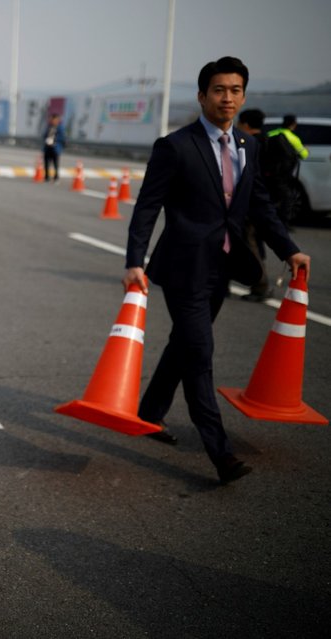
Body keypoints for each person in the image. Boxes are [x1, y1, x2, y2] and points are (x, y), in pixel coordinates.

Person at [123, 56, 310, 484]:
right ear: (203, 95)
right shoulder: (175, 146)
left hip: (221, 267)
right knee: (200, 354)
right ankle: (220, 454)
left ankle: (149, 412)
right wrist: (135, 260)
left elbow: (259, 205)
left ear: (244, 96)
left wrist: (289, 249)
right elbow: (148, 207)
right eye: (220, 90)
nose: (228, 98)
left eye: (236, 90)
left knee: (184, 346)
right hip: (183, 268)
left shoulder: (248, 146)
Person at [236, 108, 272, 302]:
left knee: (249, 242)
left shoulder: (251, 144)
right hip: (267, 201)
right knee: (255, 242)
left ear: (246, 125)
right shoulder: (270, 140)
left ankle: (260, 285)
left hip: (251, 203)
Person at [264, 114, 309, 226]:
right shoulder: (293, 138)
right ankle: (283, 223)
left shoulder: (271, 133)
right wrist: (305, 149)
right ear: (293, 124)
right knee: (287, 198)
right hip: (284, 174)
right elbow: (304, 155)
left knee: (270, 196)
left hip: (268, 172)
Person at [42, 113, 65, 183]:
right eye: (51, 119)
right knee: (46, 163)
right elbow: (44, 135)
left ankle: (56, 177)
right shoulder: (49, 127)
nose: (52, 121)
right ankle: (46, 177)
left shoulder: (60, 128)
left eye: (54, 119)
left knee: (55, 164)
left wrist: (54, 141)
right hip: (47, 147)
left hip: (55, 148)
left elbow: (62, 138)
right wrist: (47, 140)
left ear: (57, 120)